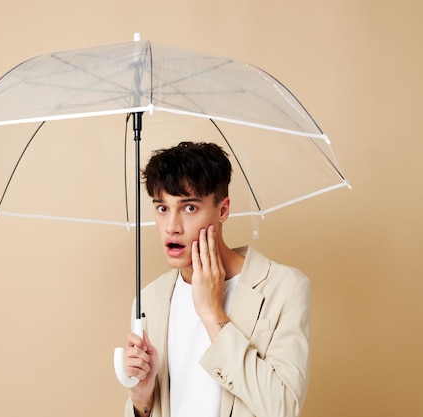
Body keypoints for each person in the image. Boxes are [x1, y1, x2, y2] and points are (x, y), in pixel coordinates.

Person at [123, 141, 311, 417]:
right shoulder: (149, 300)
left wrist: (212, 314)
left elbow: (282, 408)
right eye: (162, 208)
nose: (172, 227)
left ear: (222, 210)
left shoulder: (284, 287)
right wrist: (141, 399)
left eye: (189, 208)